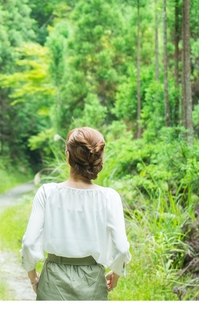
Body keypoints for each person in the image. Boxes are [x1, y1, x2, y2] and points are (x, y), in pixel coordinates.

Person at [21, 126, 131, 300]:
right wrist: (116, 273)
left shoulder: (46, 193)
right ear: (99, 158)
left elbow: (28, 243)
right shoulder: (109, 197)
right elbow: (122, 248)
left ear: (67, 155)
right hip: (93, 282)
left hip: (53, 280)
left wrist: (33, 277)